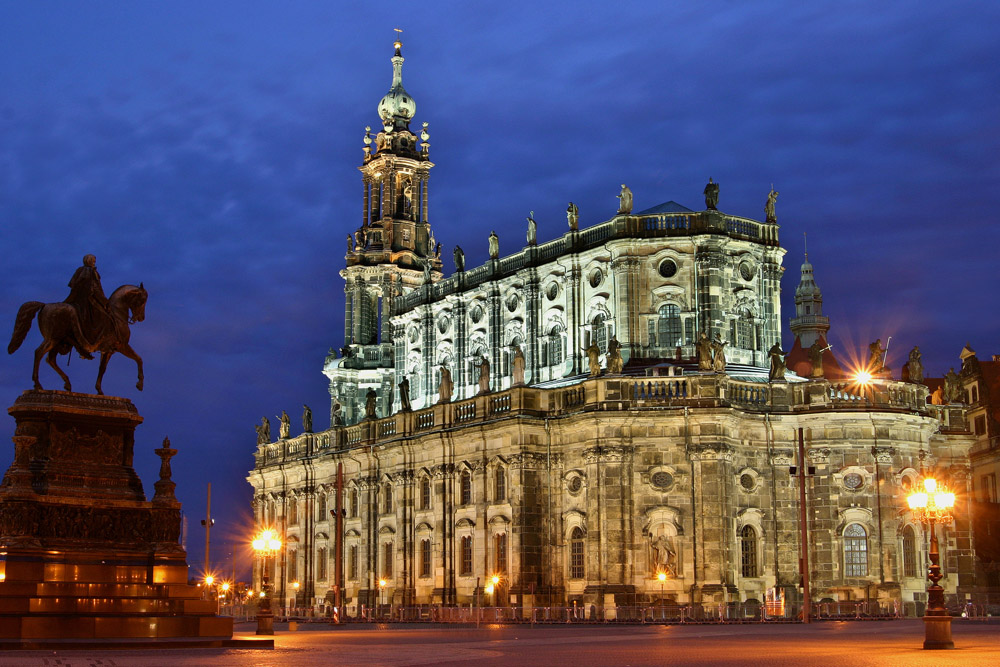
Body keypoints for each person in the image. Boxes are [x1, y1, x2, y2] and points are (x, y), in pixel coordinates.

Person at [64, 253, 109, 357]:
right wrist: (105, 301)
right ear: (89, 261)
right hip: (88, 300)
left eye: (94, 261)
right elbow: (96, 289)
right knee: (102, 316)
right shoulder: (91, 272)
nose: (94, 262)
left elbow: (73, 286)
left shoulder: (79, 271)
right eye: (93, 260)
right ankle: (93, 342)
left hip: (76, 300)